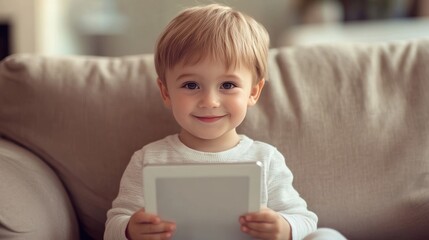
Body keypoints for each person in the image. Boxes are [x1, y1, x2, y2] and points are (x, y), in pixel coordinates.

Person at [105, 4, 346, 240]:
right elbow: (112, 227)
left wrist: (283, 228)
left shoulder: (266, 159)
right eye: (191, 85)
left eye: (227, 85)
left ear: (253, 92)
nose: (209, 101)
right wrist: (130, 230)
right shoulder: (148, 159)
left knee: (327, 236)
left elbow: (305, 220)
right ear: (166, 92)